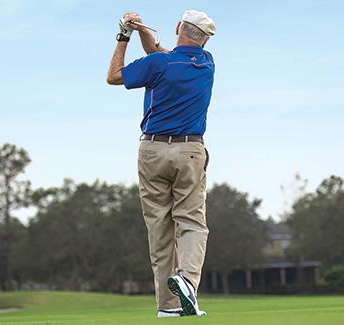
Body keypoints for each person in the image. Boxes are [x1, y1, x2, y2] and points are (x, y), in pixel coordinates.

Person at [106, 9, 216, 318]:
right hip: (190, 151)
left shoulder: (158, 65)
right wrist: (142, 31)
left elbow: (114, 76)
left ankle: (168, 305)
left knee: (160, 227)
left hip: (152, 151)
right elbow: (159, 53)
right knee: (191, 222)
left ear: (178, 27)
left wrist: (124, 35)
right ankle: (188, 284)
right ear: (206, 39)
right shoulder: (206, 64)